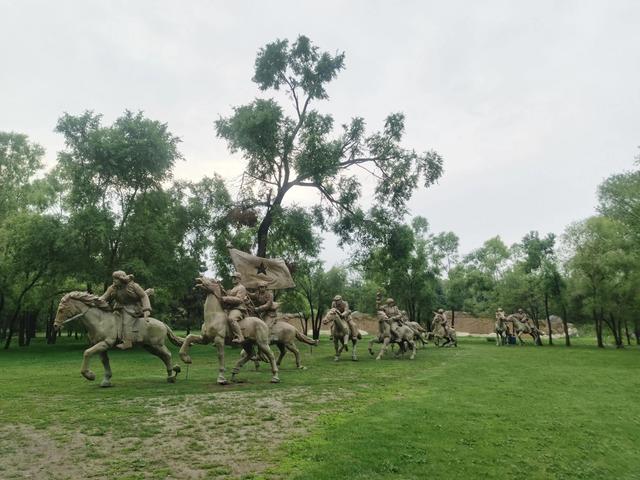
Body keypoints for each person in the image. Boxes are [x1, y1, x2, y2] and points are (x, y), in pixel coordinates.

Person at [99, 270, 151, 350]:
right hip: (119, 308)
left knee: (126, 323)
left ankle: (127, 342)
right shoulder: (112, 288)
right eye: (113, 278)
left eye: (116, 279)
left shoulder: (133, 286)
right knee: (111, 321)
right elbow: (103, 297)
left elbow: (143, 296)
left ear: (122, 279)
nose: (114, 280)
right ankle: (111, 338)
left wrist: (146, 309)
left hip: (132, 308)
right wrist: (93, 301)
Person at [221, 272, 247, 343]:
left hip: (238, 308)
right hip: (230, 308)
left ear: (239, 279)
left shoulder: (241, 288)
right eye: (232, 278)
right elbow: (229, 297)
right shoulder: (233, 288)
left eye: (235, 278)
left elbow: (239, 300)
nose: (233, 279)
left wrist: (226, 298)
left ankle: (240, 337)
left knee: (231, 319)